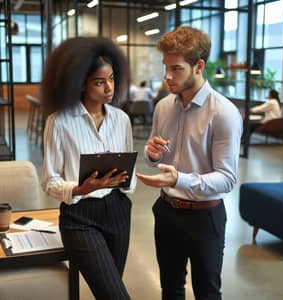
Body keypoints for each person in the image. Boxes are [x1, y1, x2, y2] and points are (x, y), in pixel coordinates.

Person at [136, 26, 242, 300]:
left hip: (205, 216)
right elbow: (155, 161)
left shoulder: (223, 113)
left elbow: (227, 178)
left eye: (176, 69)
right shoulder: (163, 107)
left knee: (207, 293)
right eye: (165, 67)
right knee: (170, 289)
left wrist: (179, 179)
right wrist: (152, 155)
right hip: (167, 210)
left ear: (199, 66)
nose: (167, 76)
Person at [41, 36, 136, 300]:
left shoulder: (122, 119)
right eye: (99, 81)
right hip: (80, 217)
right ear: (81, 83)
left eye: (112, 79)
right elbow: (49, 180)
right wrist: (80, 188)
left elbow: (129, 171)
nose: (109, 88)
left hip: (118, 210)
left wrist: (123, 179)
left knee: (109, 292)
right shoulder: (59, 122)